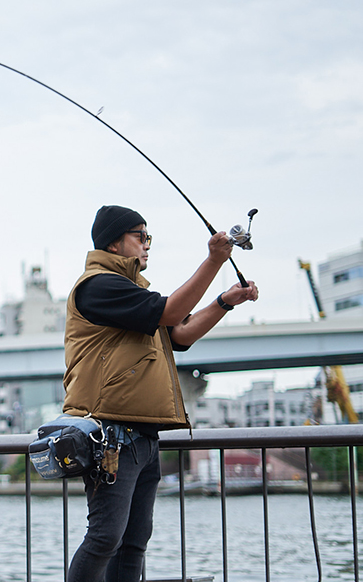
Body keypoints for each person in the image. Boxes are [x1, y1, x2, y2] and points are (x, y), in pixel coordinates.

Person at [63, 205, 259, 582]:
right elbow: (171, 313)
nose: (147, 245)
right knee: (106, 537)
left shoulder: (133, 293)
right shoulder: (98, 286)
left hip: (143, 436)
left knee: (134, 541)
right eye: (141, 236)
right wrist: (215, 261)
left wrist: (225, 302)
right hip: (112, 436)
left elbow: (180, 333)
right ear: (115, 243)